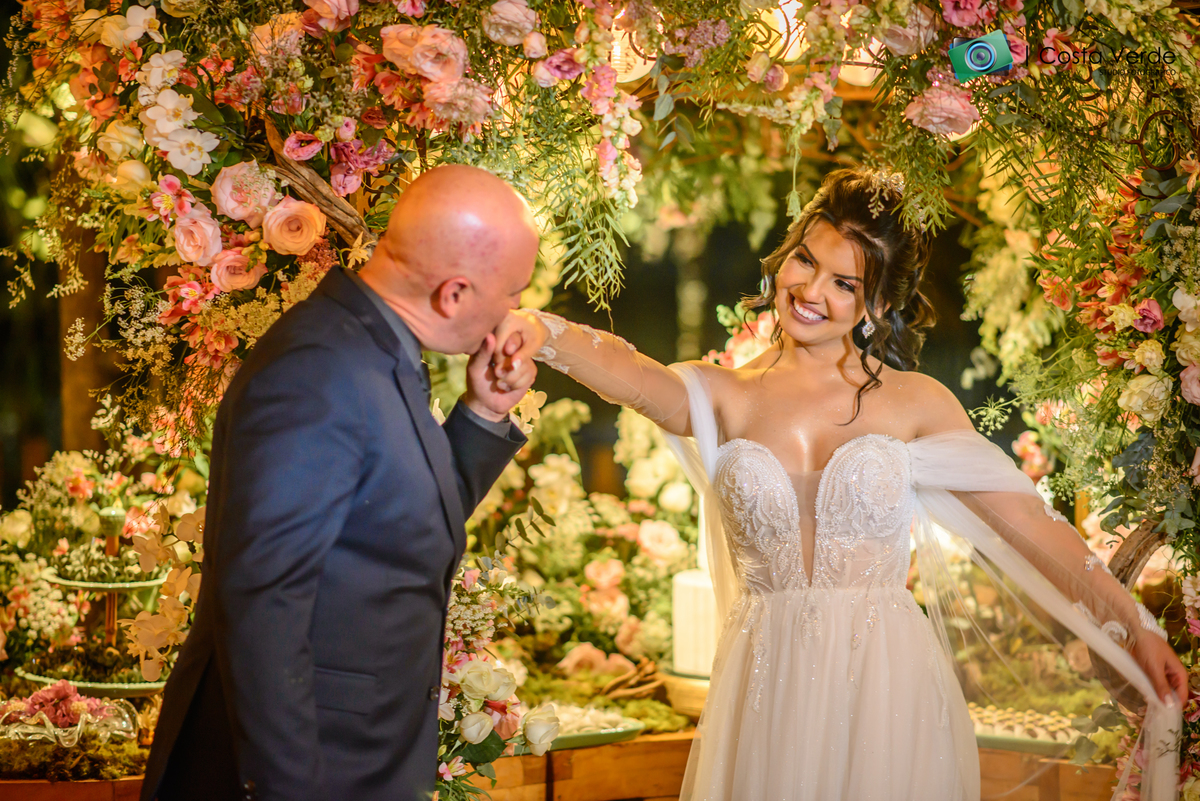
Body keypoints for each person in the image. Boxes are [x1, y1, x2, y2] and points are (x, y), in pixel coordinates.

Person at [491, 168, 1187, 801]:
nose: (810, 291)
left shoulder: (917, 404)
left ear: (876, 302)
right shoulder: (720, 394)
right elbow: (629, 371)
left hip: (885, 690)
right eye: (805, 260)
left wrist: (1136, 626)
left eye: (844, 283)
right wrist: (536, 330)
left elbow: (1031, 526)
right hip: (764, 688)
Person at [141, 165, 540, 801]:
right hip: (309, 771)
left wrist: (483, 414)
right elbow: (263, 604)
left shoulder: (374, 349)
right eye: (513, 292)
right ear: (454, 294)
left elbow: (394, 532)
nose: (512, 312)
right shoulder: (318, 368)